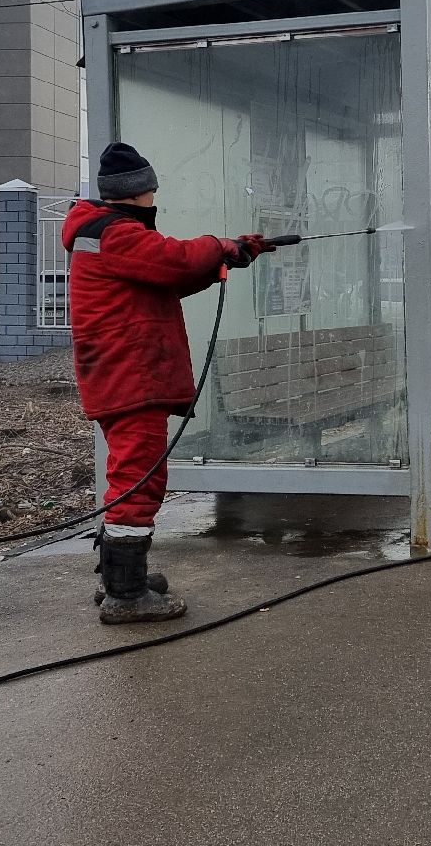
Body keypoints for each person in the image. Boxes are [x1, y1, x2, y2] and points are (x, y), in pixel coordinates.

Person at [63, 141, 270, 623]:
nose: (155, 198)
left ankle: (120, 575)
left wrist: (229, 258)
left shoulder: (105, 234)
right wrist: (222, 246)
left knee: (131, 473)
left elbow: (168, 277)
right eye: (152, 190)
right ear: (139, 192)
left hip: (122, 372)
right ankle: (126, 594)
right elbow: (173, 260)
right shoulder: (112, 233)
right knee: (140, 477)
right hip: (130, 374)